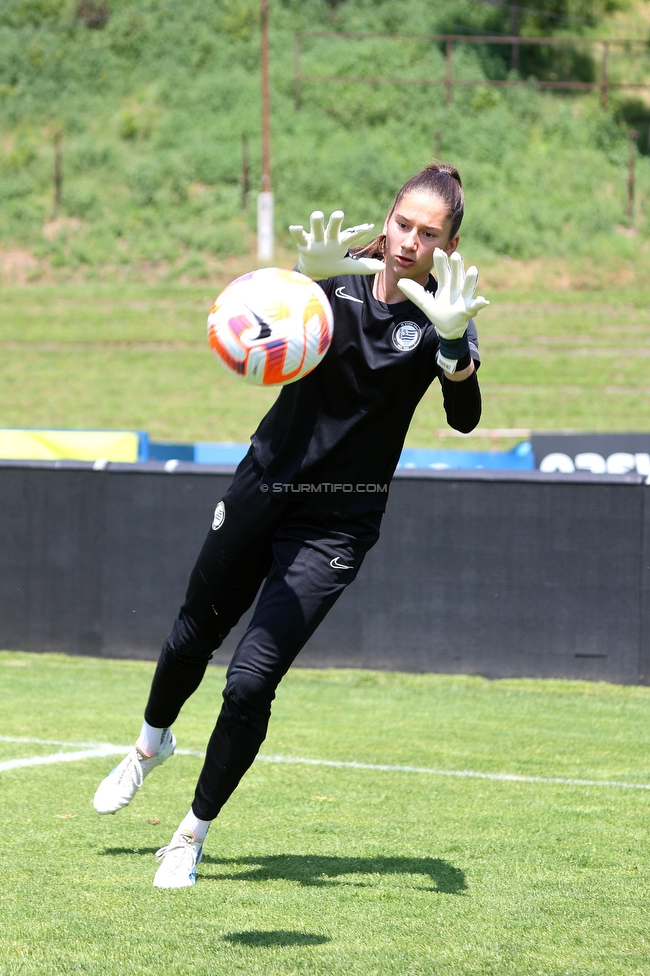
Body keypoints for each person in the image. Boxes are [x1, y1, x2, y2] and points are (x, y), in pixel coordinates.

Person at [93, 161, 489, 888]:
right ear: (388, 218)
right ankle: (150, 746)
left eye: (428, 233)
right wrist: (297, 285)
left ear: (449, 243)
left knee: (249, 683)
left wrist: (457, 348)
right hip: (263, 485)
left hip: (336, 527)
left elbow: (465, 418)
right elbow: (263, 335)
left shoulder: (445, 312)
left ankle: (190, 833)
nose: (408, 241)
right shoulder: (332, 278)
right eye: (402, 223)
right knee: (192, 632)